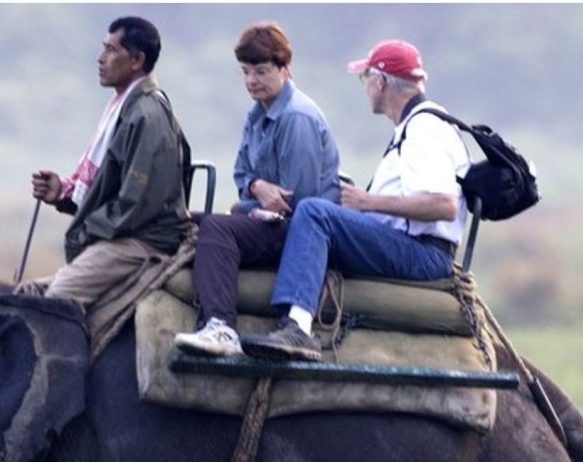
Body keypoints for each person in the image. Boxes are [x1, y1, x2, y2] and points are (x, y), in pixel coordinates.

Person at [240, 39, 471, 362]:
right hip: (408, 243)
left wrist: (368, 202)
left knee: (314, 212)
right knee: (321, 210)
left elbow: (442, 205)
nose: (366, 88)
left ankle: (297, 327)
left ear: (381, 81)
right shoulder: (413, 126)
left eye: (366, 79)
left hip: (422, 253)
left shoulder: (425, 128)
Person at [173, 22, 340, 357]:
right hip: (268, 219)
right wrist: (256, 187)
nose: (252, 81)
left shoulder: (297, 118)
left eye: (261, 72)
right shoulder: (257, 114)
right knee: (189, 219)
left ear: (285, 69)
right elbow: (241, 173)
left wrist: (245, 208)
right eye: (246, 72)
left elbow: (300, 206)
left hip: (301, 235)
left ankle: (221, 326)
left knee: (220, 226)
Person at [17, 16, 191, 311]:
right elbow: (111, 191)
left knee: (59, 297)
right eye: (103, 49)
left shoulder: (147, 117)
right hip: (122, 235)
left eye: (111, 51)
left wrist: (85, 229)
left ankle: (73, 358)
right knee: (26, 291)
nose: (100, 59)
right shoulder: (124, 108)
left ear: (137, 60)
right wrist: (63, 194)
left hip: (142, 241)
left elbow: (134, 205)